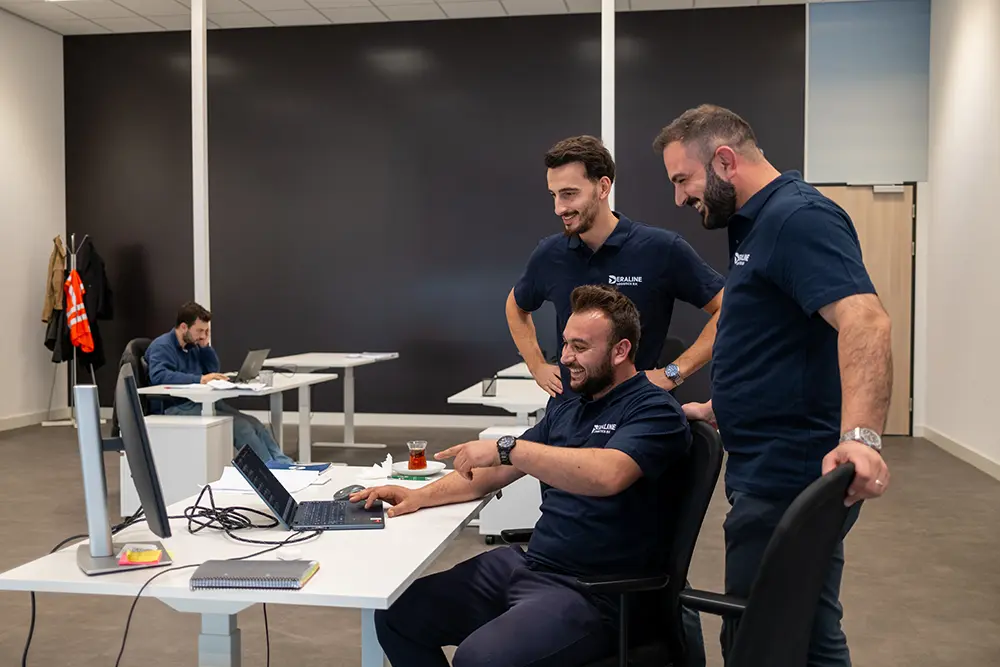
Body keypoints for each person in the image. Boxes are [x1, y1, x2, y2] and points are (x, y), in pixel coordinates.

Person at [654, 104, 893, 667]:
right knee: (804, 626)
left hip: (790, 472)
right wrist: (725, 404)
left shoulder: (798, 218)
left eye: (682, 180)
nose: (679, 198)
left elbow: (865, 321)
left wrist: (861, 438)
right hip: (768, 463)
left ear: (724, 160)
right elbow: (778, 335)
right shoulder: (757, 224)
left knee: (762, 636)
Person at [355, 285, 696, 667]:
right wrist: (418, 495)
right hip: (532, 567)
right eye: (565, 344)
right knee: (396, 615)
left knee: (479, 660)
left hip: (596, 593)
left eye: (580, 347)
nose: (565, 358)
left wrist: (509, 447)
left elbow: (608, 474)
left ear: (620, 351)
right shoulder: (570, 409)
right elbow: (492, 473)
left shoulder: (655, 411)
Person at [507, 135, 725, 403]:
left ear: (603, 187)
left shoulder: (661, 248)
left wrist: (673, 373)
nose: (559, 208)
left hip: (636, 409)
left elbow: (727, 308)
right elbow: (516, 307)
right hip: (569, 410)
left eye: (569, 194)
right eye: (554, 195)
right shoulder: (549, 254)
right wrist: (536, 366)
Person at [145, 301, 293, 465]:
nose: (202, 335)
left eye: (206, 331)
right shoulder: (162, 346)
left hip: (199, 401)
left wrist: (205, 347)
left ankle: (285, 464)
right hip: (176, 405)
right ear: (184, 327)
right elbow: (159, 376)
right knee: (242, 427)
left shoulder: (193, 345)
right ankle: (269, 469)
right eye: (199, 330)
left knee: (255, 423)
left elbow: (212, 369)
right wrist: (200, 379)